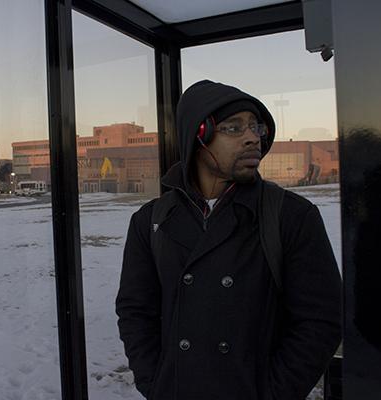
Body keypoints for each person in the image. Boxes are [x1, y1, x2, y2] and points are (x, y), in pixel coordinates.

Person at [115, 80, 342, 400]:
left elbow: (320, 322)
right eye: (234, 128)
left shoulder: (291, 216)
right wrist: (156, 383)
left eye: (255, 127)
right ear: (200, 134)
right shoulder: (151, 221)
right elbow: (135, 311)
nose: (252, 138)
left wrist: (272, 393)